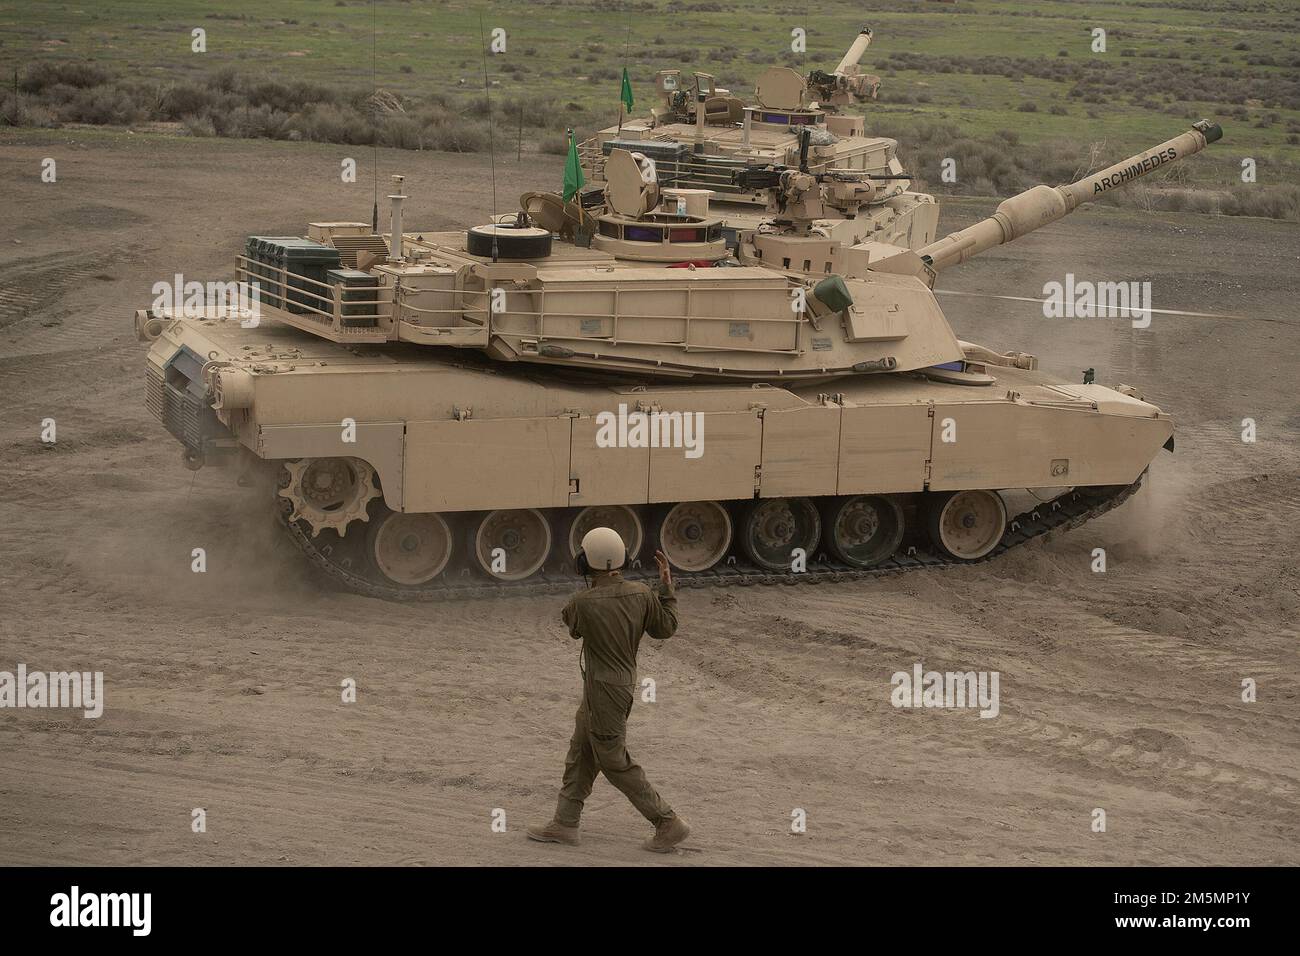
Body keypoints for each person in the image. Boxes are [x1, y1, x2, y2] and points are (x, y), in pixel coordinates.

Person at [527, 526, 690, 853]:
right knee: (581, 750)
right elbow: (666, 628)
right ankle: (565, 823)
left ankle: (667, 822)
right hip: (617, 686)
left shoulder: (582, 602)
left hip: (603, 690)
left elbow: (572, 626)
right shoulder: (643, 594)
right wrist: (666, 587)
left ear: (586, 563)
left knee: (614, 760)